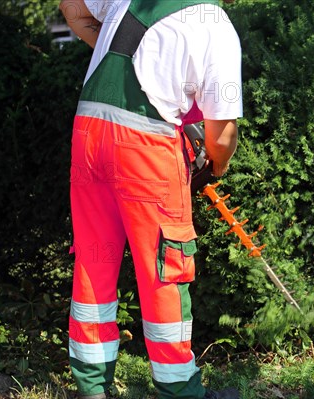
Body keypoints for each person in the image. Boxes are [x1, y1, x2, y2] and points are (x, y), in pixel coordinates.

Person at [58, 1, 242, 398]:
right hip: (145, 146)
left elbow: (71, 8)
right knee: (165, 267)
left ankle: (91, 387)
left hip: (88, 129)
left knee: (95, 256)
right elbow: (223, 133)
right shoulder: (217, 26)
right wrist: (216, 167)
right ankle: (179, 391)